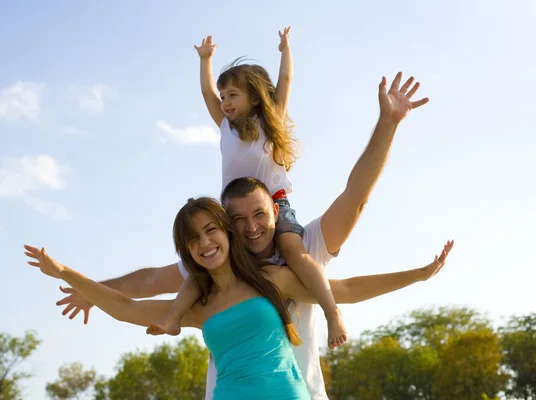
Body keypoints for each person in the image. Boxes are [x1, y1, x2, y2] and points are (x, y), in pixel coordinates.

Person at [53, 70, 431, 400]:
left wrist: (388, 124)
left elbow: (356, 199)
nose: (251, 227)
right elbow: (149, 281)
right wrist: (91, 291)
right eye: (238, 220)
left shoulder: (304, 245)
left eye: (260, 215)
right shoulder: (212, 275)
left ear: (277, 211)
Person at [24, 197, 453, 400]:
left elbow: (344, 291)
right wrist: (66, 274)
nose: (205, 243)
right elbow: (128, 308)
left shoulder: (273, 279)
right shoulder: (196, 307)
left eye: (211, 230)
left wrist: (418, 275)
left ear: (226, 232)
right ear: (187, 251)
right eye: (193, 239)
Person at [154, 28, 350, 349]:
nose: (225, 102)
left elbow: (285, 83)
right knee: (201, 269)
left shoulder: (269, 123)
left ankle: (332, 312)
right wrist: (205, 60)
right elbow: (206, 95)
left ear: (254, 98)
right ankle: (175, 317)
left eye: (233, 95)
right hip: (232, 214)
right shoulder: (225, 127)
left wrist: (285, 50)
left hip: (273, 205)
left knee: (296, 256)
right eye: (224, 95)